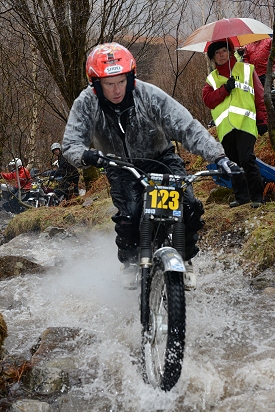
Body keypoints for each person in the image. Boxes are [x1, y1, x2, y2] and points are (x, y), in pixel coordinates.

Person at [62, 42, 241, 290]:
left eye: (122, 81)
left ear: (131, 77)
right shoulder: (86, 103)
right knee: (130, 214)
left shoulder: (148, 94)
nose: (117, 90)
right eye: (109, 84)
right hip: (119, 164)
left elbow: (186, 126)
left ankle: (186, 259)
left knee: (188, 206)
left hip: (161, 158)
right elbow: (70, 143)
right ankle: (130, 261)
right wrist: (87, 156)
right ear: (96, 84)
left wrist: (218, 157)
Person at [202, 39, 268, 209]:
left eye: (224, 50)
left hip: (245, 123)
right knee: (233, 162)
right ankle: (242, 197)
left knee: (247, 159)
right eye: (217, 53)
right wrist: (225, 89)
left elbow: (259, 96)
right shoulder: (212, 79)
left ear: (230, 52)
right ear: (213, 57)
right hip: (226, 127)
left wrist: (262, 120)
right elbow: (208, 100)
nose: (221, 55)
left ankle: (257, 197)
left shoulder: (246, 69)